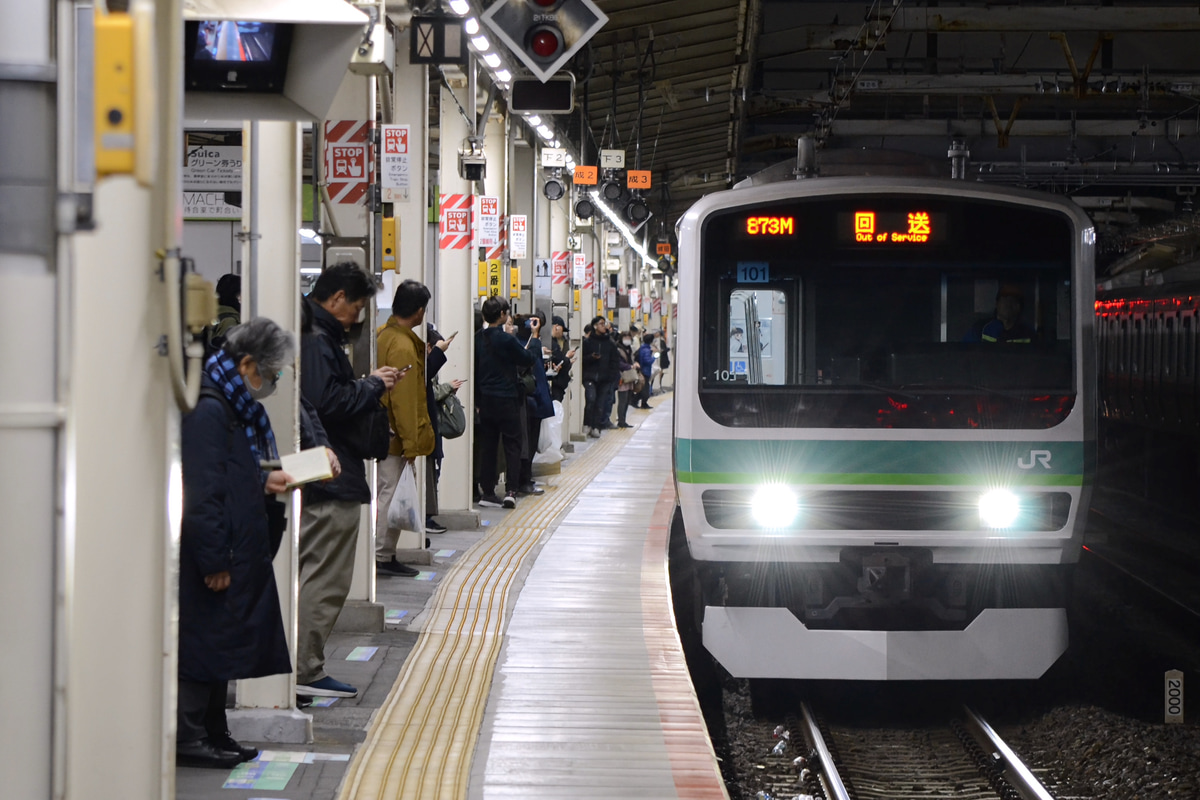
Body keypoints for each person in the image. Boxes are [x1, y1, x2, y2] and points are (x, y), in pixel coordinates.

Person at [178, 318, 297, 768]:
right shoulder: (209, 410)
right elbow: (202, 491)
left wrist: (263, 481)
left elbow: (227, 473)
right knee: (204, 641)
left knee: (221, 641)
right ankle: (190, 735)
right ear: (247, 364)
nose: (268, 383)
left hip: (233, 543)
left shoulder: (225, 404)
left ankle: (213, 730)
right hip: (216, 550)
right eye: (269, 374)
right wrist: (214, 558)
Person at [298, 263, 403, 698]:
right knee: (324, 578)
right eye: (356, 307)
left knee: (314, 573)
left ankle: (300, 666)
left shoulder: (309, 334)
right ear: (336, 298)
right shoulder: (318, 341)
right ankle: (304, 669)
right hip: (330, 475)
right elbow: (329, 402)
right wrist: (372, 386)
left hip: (321, 472)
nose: (358, 318)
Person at [375, 280, 434, 577]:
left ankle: (383, 554)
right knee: (390, 493)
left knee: (386, 492)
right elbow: (405, 400)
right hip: (394, 435)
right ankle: (382, 556)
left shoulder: (383, 336)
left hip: (383, 431)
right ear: (419, 310)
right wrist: (411, 443)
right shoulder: (402, 346)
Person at [475, 296, 536, 508]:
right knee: (512, 444)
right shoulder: (507, 339)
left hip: (486, 401)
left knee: (488, 445)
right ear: (502, 315)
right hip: (508, 399)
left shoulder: (477, 339)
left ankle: (488, 492)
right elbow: (527, 359)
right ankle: (511, 490)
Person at [424, 322, 460, 534]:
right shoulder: (422, 364)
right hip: (426, 426)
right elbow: (429, 388)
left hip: (432, 425)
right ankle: (426, 517)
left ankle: (429, 515)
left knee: (435, 467)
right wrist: (448, 388)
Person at [513, 312, 555, 493]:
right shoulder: (521, 344)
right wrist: (536, 337)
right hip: (530, 399)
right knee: (526, 443)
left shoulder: (529, 343)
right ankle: (523, 481)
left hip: (535, 399)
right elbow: (527, 360)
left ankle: (525, 479)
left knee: (529, 442)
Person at [581, 316, 619, 438]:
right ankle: (587, 424)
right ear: (595, 326)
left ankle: (596, 427)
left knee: (600, 403)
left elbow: (615, 362)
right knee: (591, 399)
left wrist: (611, 377)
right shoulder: (587, 342)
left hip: (605, 379)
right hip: (590, 376)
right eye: (601, 323)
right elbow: (582, 359)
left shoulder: (610, 344)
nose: (604, 326)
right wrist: (591, 358)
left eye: (605, 323)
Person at [547, 315, 575, 403]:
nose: (562, 333)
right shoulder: (553, 344)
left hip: (558, 384)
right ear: (556, 327)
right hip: (556, 384)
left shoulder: (557, 342)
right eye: (562, 330)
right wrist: (567, 358)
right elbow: (559, 360)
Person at [614, 329, 637, 428]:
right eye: (625, 338)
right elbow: (619, 363)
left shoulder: (629, 349)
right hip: (622, 377)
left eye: (628, 338)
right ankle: (621, 421)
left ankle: (623, 420)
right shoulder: (618, 349)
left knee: (627, 400)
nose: (627, 340)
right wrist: (629, 367)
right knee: (622, 400)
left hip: (629, 378)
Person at [635, 332, 656, 409]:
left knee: (643, 387)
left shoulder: (642, 348)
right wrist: (654, 357)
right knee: (645, 389)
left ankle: (638, 401)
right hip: (645, 371)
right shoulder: (646, 350)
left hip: (642, 370)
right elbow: (648, 361)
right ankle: (642, 402)